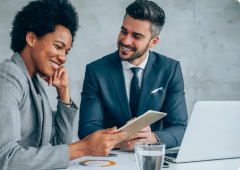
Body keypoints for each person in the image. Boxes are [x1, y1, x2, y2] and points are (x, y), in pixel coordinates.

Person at [0, 0, 126, 169]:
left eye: (67, 52)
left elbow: (58, 144)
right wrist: (83, 148)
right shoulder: (4, 77)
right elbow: (4, 160)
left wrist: (63, 93)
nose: (63, 57)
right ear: (31, 38)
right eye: (58, 46)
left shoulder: (34, 84)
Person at [79, 0, 188, 150]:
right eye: (124, 31)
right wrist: (118, 140)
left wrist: (152, 138)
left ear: (153, 42)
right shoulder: (96, 71)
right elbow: (87, 128)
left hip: (151, 157)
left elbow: (180, 128)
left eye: (136, 36)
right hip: (111, 159)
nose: (125, 40)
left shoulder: (170, 69)